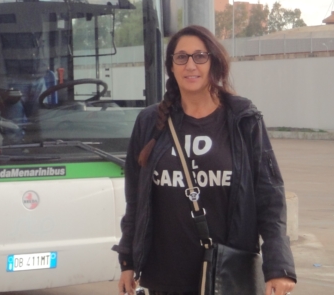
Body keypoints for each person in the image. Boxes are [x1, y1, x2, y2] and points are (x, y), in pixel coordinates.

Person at [113, 25, 296, 295]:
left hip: (227, 276)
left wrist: (278, 265)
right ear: (171, 66)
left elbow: (269, 196)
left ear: (214, 62)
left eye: (200, 56)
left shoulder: (243, 119)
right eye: (181, 57)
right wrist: (127, 260)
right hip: (165, 278)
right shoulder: (149, 122)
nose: (190, 65)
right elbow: (135, 200)